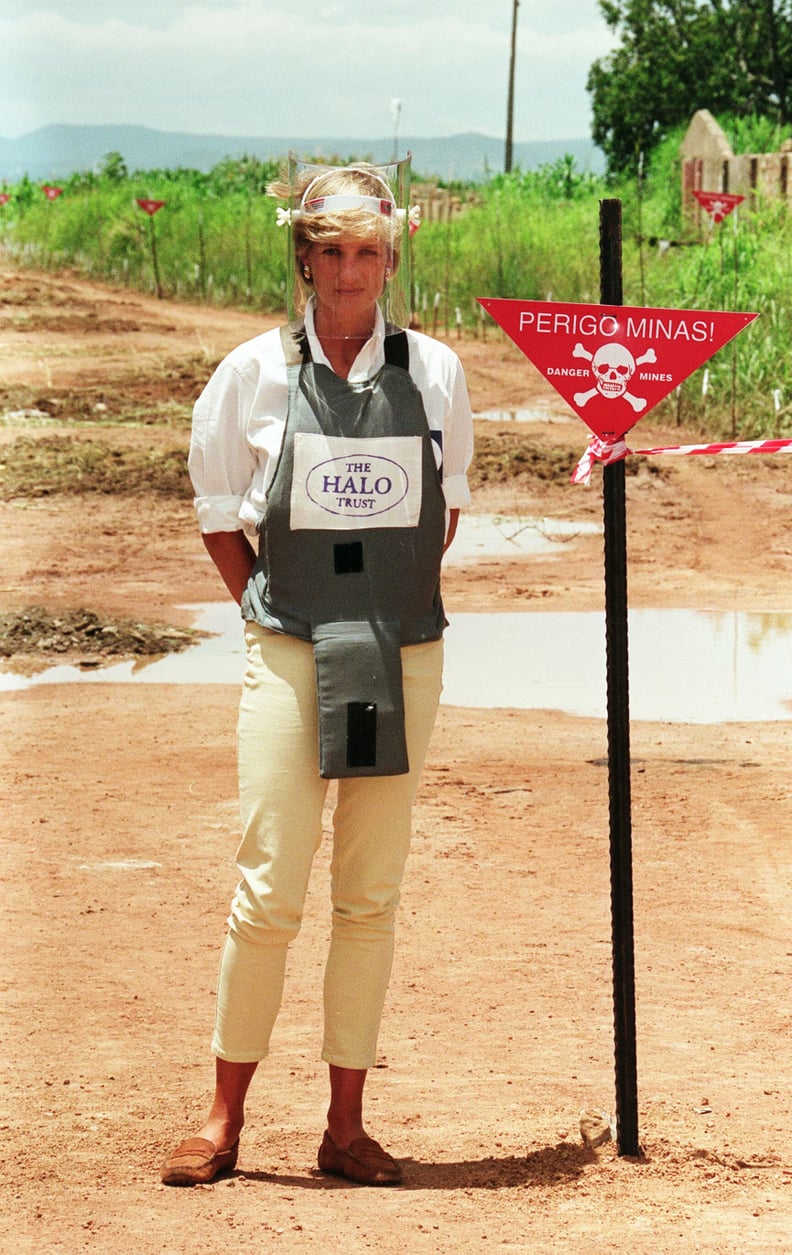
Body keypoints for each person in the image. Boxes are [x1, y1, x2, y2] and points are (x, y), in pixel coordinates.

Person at [161, 160, 474, 1188]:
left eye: (368, 252)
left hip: (398, 656)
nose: (350, 273)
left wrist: (380, 604)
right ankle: (221, 1119)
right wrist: (279, 609)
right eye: (330, 252)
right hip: (292, 649)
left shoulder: (436, 374)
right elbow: (219, 514)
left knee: (370, 893)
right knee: (269, 887)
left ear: (391, 256)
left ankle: (345, 1126)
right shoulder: (248, 374)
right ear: (304, 255)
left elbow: (447, 508)